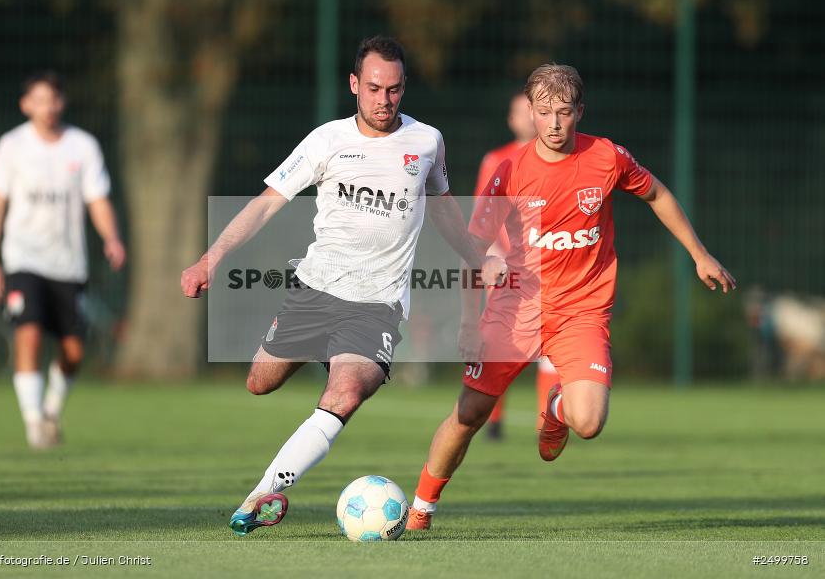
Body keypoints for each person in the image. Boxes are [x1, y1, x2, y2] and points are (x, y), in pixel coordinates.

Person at [180, 36, 488, 536]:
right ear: (353, 85)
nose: (384, 100)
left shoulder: (427, 141)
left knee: (345, 393)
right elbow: (265, 204)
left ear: (404, 87)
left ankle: (261, 495)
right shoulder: (326, 140)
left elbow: (443, 206)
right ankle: (324, 350)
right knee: (260, 381)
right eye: (374, 88)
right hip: (315, 290)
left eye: (394, 89)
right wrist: (210, 259)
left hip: (377, 305)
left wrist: (477, 259)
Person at [407, 63, 736, 530]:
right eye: (544, 112)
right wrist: (467, 323)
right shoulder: (510, 171)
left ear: (580, 111)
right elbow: (472, 251)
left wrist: (699, 254)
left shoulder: (606, 157)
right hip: (515, 310)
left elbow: (657, 194)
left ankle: (555, 410)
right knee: (470, 413)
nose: (555, 123)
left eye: (564, 112)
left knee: (590, 423)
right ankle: (421, 508)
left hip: (582, 312)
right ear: (530, 112)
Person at [0, 71, 126, 450]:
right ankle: (34, 423)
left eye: (54, 99)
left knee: (74, 351)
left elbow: (97, 200)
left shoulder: (83, 146)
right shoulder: (12, 145)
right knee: (27, 333)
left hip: (68, 265)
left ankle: (51, 410)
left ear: (62, 102)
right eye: (40, 100)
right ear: (26, 105)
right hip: (23, 259)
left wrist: (111, 237)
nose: (49, 107)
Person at [474, 89, 559, 440]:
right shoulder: (497, 160)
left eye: (534, 109)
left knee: (551, 348)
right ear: (512, 119)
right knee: (500, 346)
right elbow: (483, 216)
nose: (529, 116)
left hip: (549, 270)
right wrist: (494, 258)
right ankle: (494, 421)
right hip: (509, 271)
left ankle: (547, 423)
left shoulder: (557, 160)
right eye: (522, 110)